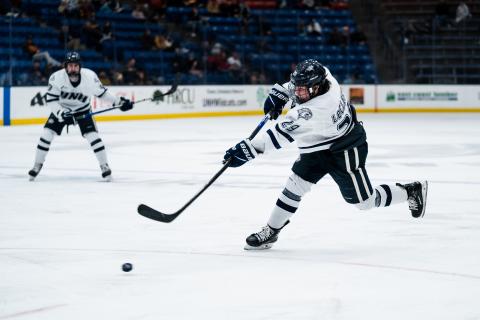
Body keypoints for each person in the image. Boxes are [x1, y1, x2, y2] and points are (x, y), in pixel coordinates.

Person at [223, 59, 428, 250]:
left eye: (302, 90)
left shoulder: (314, 110)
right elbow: (295, 85)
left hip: (344, 148)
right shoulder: (326, 76)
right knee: (294, 186)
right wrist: (282, 93)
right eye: (297, 87)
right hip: (316, 145)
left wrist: (246, 150)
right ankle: (272, 231)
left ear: (316, 88)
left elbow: (277, 137)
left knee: (364, 202)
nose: (298, 92)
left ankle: (411, 191)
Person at [28, 51, 134, 181]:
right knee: (46, 134)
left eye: (75, 66)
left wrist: (119, 102)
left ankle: (104, 166)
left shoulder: (90, 77)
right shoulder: (56, 78)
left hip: (83, 110)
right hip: (62, 109)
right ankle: (37, 165)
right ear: (65, 66)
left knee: (93, 137)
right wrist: (61, 113)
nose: (73, 69)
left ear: (80, 66)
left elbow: (103, 94)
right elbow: (51, 100)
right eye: (70, 66)